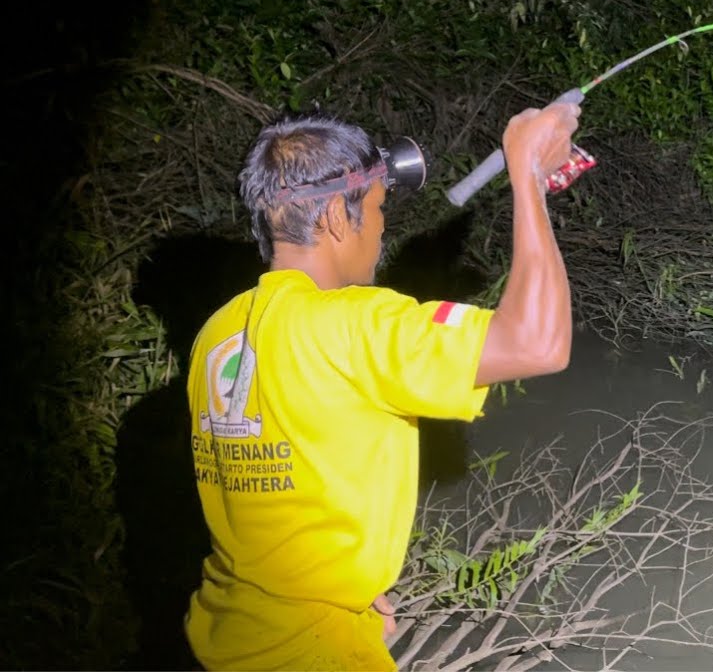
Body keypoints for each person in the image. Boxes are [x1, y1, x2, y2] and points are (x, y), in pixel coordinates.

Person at [182, 101, 581, 670]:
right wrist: (529, 175)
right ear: (339, 220)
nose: (381, 228)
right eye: (377, 209)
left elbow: (281, 482)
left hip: (226, 634)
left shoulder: (217, 335)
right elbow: (539, 342)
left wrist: (348, 595)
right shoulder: (352, 322)